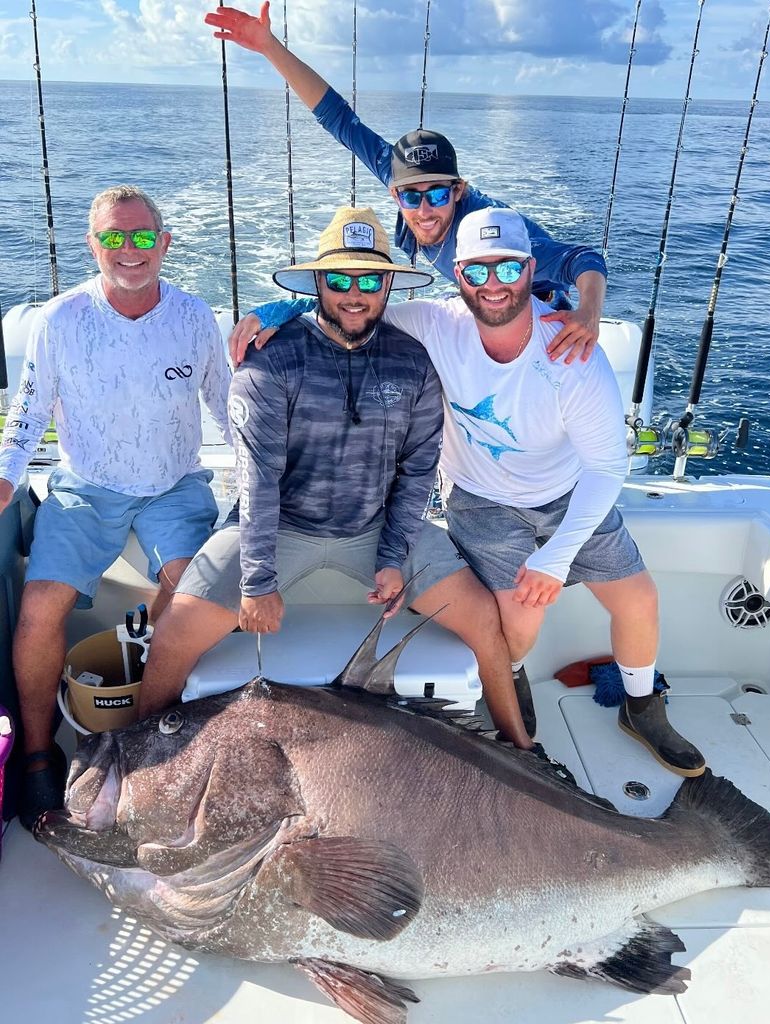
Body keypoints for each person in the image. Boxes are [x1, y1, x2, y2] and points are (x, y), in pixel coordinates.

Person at [241, 207, 706, 778]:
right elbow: (351, 303)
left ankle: (640, 704)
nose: (492, 285)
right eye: (477, 271)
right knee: (518, 625)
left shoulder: (572, 351)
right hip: (482, 502)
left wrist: (555, 559)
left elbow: (608, 467)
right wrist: (275, 309)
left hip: (570, 493)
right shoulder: (435, 324)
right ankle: (508, 678)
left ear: (531, 270)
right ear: (457, 274)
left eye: (507, 269)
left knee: (640, 600)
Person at [137, 206, 537, 758]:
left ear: (389, 286)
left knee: (486, 624)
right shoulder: (268, 361)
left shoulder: (415, 363)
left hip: (377, 528)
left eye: (370, 279)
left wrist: (395, 554)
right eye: (340, 279)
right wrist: (256, 581)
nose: (355, 293)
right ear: (318, 284)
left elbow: (419, 470)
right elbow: (257, 481)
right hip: (278, 528)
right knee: (171, 640)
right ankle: (134, 761)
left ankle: (522, 751)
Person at [0, 185, 232, 829]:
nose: (129, 251)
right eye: (114, 238)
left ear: (164, 242)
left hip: (175, 485)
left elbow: (228, 409)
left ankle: (148, 742)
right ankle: (43, 757)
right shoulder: (61, 319)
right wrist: (4, 478)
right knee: (41, 605)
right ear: (93, 244)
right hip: (86, 486)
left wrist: (268, 479)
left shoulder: (194, 318)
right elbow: (27, 411)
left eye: (141, 237)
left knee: (194, 596)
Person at [205, 2, 607, 364]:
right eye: (412, 196)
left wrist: (588, 313)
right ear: (394, 192)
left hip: (535, 321)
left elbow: (582, 260)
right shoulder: (398, 178)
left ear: (458, 190)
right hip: (475, 306)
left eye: (437, 194)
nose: (425, 209)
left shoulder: (489, 230)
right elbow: (340, 120)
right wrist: (269, 46)